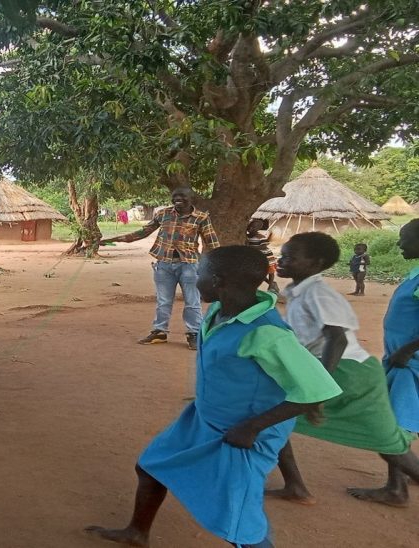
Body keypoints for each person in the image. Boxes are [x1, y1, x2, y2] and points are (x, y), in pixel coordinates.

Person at [86, 246, 341, 548]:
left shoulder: (266, 332)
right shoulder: (220, 312)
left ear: (218, 280)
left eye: (199, 274)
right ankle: (137, 533)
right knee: (151, 466)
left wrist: (252, 427)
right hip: (204, 418)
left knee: (239, 523)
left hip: (240, 434)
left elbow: (319, 389)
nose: (195, 280)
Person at [269, 232, 419, 507]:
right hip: (342, 371)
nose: (282, 260)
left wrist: (319, 389)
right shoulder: (301, 292)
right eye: (282, 255)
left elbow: (336, 338)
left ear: (316, 262)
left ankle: (296, 486)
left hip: (348, 372)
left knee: (389, 440)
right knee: (270, 415)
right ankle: (295, 485)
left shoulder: (319, 293)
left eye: (290, 257)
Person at [101, 188, 220, 350]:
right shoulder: (163, 214)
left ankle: (194, 334)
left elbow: (212, 243)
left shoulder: (201, 218)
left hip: (190, 266)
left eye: (182, 197)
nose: (178, 199)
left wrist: (215, 266)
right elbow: (142, 232)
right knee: (163, 301)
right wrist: (113, 240)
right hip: (164, 264)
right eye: (175, 197)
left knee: (193, 302)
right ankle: (159, 332)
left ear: (191, 199)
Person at [384, 220, 419, 445]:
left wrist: (407, 350)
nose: (399, 243)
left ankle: (397, 480)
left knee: (395, 423)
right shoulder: (415, 274)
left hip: (408, 361)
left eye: (405, 238)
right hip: (402, 357)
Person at [245, 219, 279, 294]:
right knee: (260, 273)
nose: (251, 228)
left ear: (258, 229)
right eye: (250, 226)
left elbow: (264, 247)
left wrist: (251, 247)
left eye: (254, 227)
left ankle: (270, 287)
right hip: (257, 257)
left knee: (270, 271)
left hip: (266, 256)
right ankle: (272, 283)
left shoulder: (260, 236)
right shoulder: (246, 236)